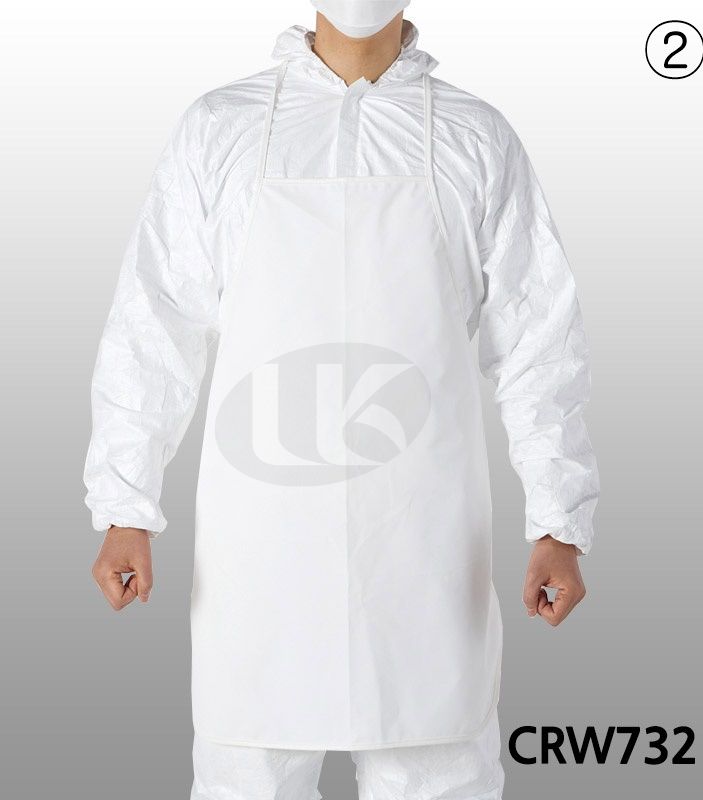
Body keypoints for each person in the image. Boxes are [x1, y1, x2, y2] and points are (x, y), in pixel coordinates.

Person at [84, 2, 599, 797]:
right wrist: (126, 508)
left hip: (422, 547)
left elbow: (539, 340)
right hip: (261, 549)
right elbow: (154, 322)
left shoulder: (475, 137)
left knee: (435, 758)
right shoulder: (219, 129)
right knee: (248, 771)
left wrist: (559, 524)